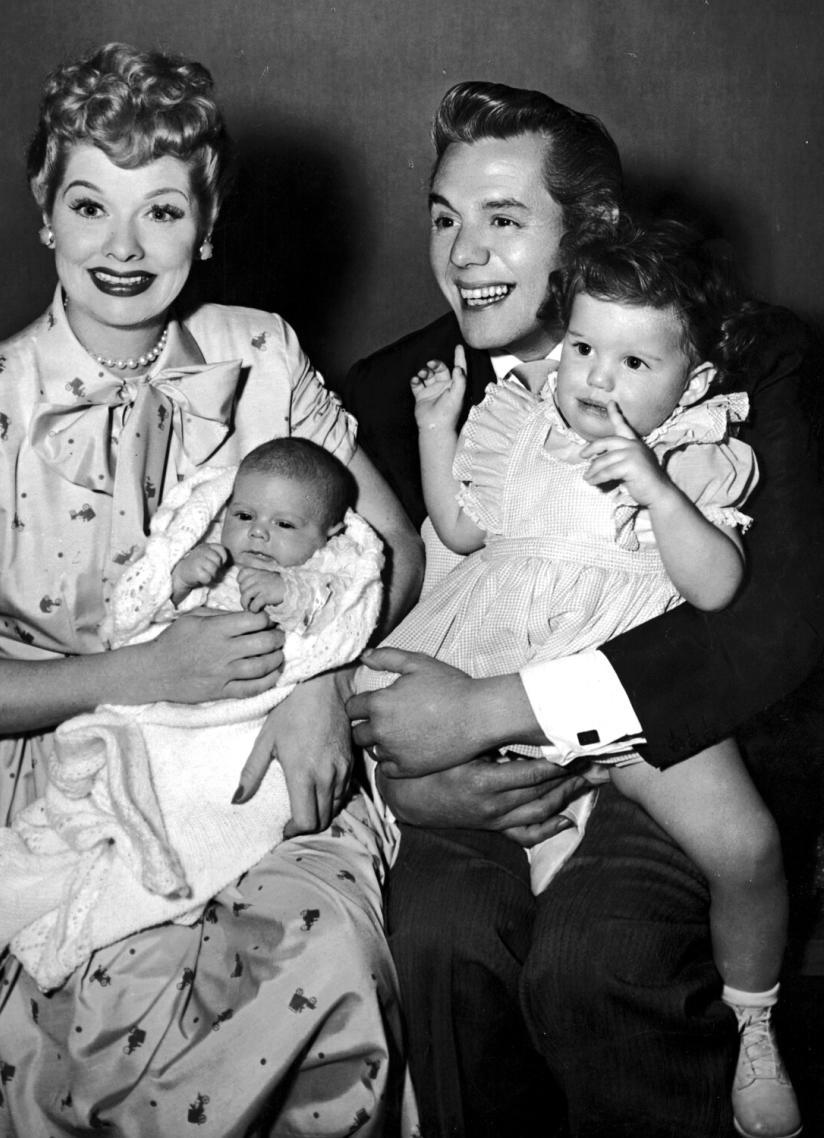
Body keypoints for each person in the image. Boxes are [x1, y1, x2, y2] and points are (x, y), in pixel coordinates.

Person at [0, 43, 422, 1137]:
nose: (123, 249)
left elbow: (393, 553)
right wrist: (138, 671)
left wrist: (314, 683)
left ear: (207, 225)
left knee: (320, 958)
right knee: (92, 1022)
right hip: (52, 770)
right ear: (46, 214)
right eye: (90, 205)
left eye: (162, 212)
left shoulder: (259, 354)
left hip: (256, 749)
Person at [343, 80, 824, 1138]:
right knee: (436, 930)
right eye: (444, 216)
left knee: (595, 957)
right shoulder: (392, 395)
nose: (462, 254)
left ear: (592, 230)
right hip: (483, 786)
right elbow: (344, 629)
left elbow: (774, 625)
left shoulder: (749, 360)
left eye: (504, 221)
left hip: (682, 745)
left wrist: (496, 709)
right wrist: (403, 777)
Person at [0, 438, 387, 993]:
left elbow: (335, 618)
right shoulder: (219, 564)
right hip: (168, 712)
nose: (258, 533)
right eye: (243, 516)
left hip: (243, 727)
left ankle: (121, 889)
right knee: (125, 791)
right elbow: (135, 620)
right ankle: (48, 874)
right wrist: (180, 582)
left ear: (328, 535)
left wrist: (288, 594)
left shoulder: (325, 571)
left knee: (220, 806)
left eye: (284, 525)